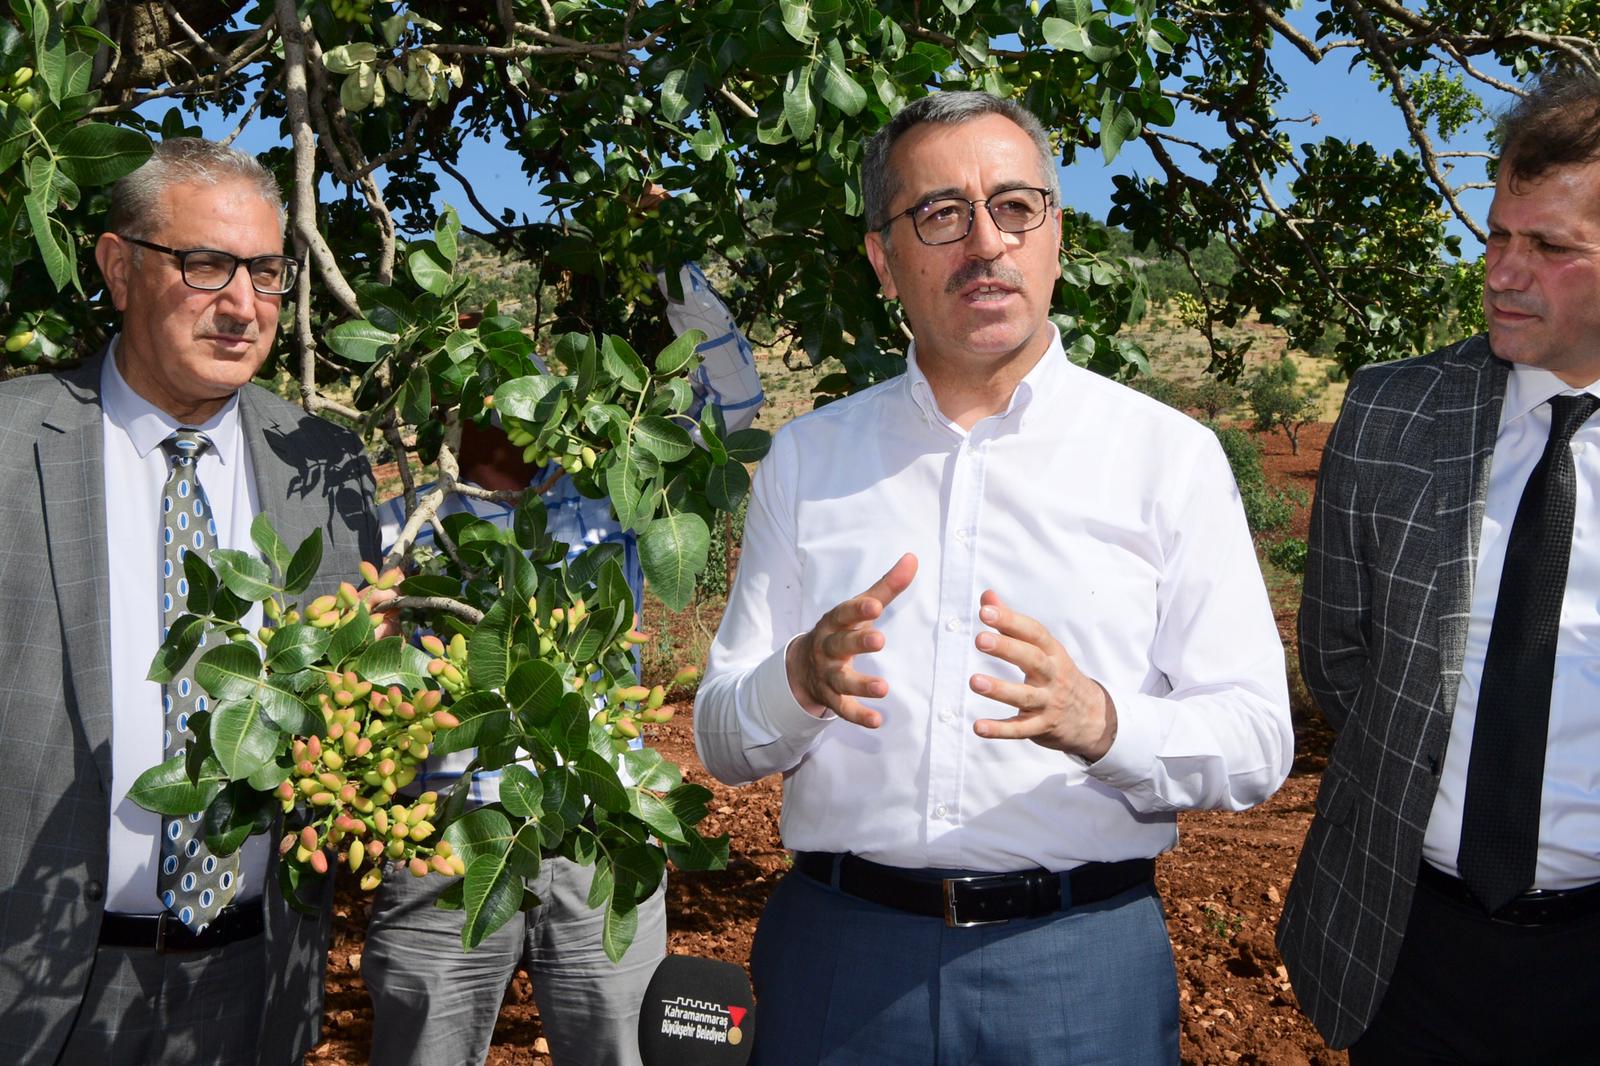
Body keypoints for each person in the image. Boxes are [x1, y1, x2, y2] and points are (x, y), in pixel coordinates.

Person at [694, 91, 1292, 1065]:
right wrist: (798, 679)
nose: (985, 241)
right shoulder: (808, 459)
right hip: (842, 962)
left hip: (1078, 968)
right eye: (940, 213)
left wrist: (1101, 720)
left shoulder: (1165, 458)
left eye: (1016, 206)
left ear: (1055, 236)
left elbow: (1258, 739)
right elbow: (720, 735)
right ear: (884, 262)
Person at [0, 138, 380, 1065]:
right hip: (35, 984)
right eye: (206, 265)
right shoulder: (12, 447)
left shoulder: (325, 467)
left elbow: (358, 727)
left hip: (254, 983)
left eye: (265, 271)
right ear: (118, 268)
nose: (243, 306)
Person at [1277, 67, 1600, 1063]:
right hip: (1409, 945)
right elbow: (1339, 656)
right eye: (1498, 234)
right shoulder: (1390, 413)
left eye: (1548, 247)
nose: (1501, 271)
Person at [364, 262, 764, 1066]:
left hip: (596, 836)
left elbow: (738, 408)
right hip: (445, 840)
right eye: (477, 389)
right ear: (447, 412)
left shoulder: (614, 497)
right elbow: (337, 654)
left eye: (523, 388)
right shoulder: (398, 528)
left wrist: (668, 269)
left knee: (624, 1053)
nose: (505, 408)